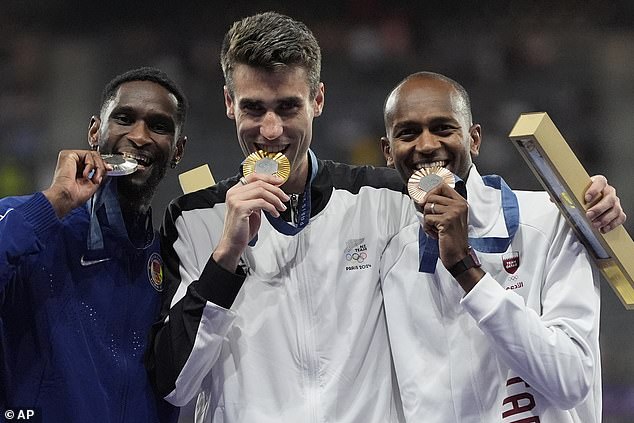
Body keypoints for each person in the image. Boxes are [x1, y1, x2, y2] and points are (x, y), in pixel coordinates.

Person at [145, 12, 625, 423]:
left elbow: (466, 196)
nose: (271, 130)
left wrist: (589, 203)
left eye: (288, 106)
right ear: (230, 104)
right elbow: (174, 386)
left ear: (318, 100)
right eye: (254, 108)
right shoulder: (193, 217)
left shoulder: (382, 197)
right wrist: (225, 258)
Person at [378, 71, 619, 422]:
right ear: (388, 151)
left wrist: (465, 268)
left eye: (444, 128)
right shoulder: (388, 255)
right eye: (408, 133)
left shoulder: (548, 222)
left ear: (474, 139)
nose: (427, 145)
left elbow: (572, 381)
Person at [0, 66, 188, 423]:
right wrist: (53, 202)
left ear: (177, 150)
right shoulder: (27, 223)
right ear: (95, 131)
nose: (140, 135)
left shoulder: (172, 260)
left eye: (159, 126)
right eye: (124, 118)